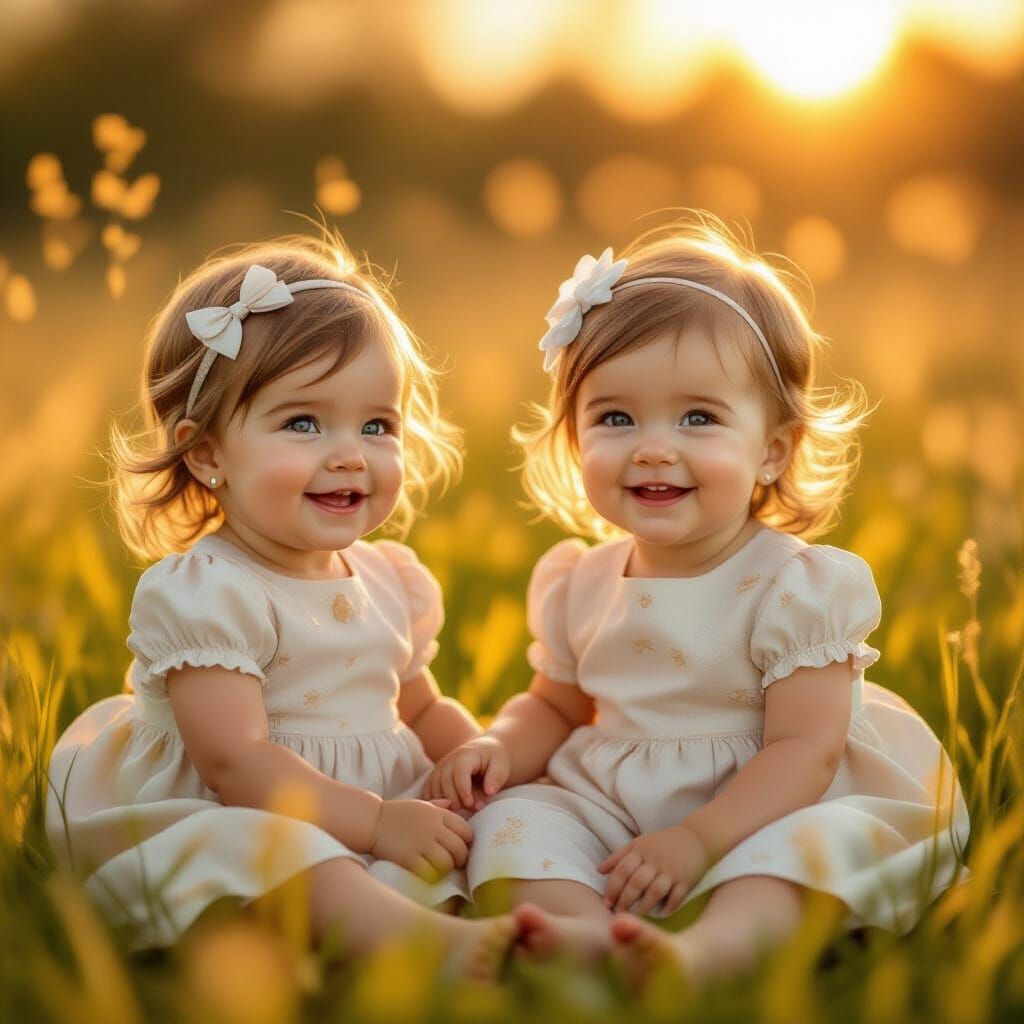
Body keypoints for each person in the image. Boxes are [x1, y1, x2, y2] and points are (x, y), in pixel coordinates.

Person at [424, 215, 970, 984]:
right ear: (576, 438)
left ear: (771, 449)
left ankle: (706, 954)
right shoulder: (581, 579)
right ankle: (580, 935)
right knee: (514, 823)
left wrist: (700, 839)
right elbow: (556, 705)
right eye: (615, 417)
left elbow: (804, 751)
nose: (653, 445)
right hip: (612, 793)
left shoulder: (795, 585)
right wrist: (501, 748)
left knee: (803, 854)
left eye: (698, 417)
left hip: (765, 802)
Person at [46, 235, 516, 977]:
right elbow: (236, 763)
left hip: (371, 810)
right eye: (303, 423)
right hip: (241, 815)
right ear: (206, 455)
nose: (350, 453)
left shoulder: (387, 577)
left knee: (501, 822)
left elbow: (418, 707)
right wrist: (378, 821)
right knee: (290, 857)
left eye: (377, 425)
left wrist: (471, 751)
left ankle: (452, 918)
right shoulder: (211, 593)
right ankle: (430, 949)